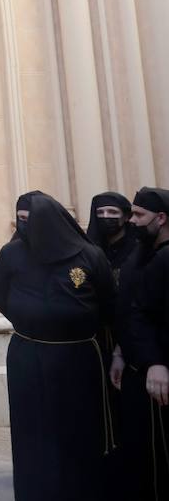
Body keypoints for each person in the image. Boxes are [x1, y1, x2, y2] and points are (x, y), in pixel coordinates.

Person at [0, 190, 116, 501]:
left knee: (78, 429)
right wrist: (30, 320)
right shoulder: (12, 254)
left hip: (78, 355)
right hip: (28, 353)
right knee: (32, 431)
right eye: (20, 221)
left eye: (29, 222)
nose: (24, 228)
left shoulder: (89, 256)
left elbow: (108, 302)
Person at [124, 186, 169, 496]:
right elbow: (137, 314)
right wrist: (154, 362)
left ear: (161, 218)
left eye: (139, 215)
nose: (132, 221)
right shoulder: (146, 257)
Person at [87, 191, 137, 276]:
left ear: (126, 217)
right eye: (100, 212)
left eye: (113, 212)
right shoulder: (92, 251)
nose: (105, 216)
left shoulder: (138, 249)